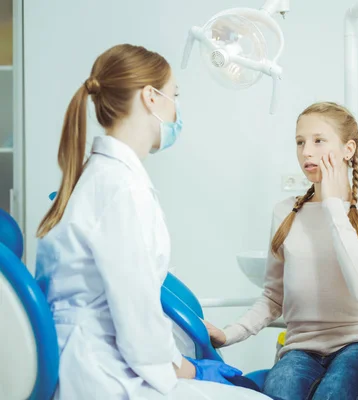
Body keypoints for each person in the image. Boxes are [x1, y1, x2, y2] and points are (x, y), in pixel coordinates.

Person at [35, 43, 269, 400]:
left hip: (88, 363)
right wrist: (190, 369)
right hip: (99, 375)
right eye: (174, 94)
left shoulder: (102, 177)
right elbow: (137, 322)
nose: (177, 108)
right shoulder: (121, 188)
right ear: (150, 97)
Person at [205, 102, 358, 399]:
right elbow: (273, 296)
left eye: (318, 141)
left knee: (332, 394)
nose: (306, 151)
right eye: (300, 142)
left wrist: (334, 206)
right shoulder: (285, 212)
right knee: (279, 393)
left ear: (348, 150)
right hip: (300, 350)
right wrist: (229, 334)